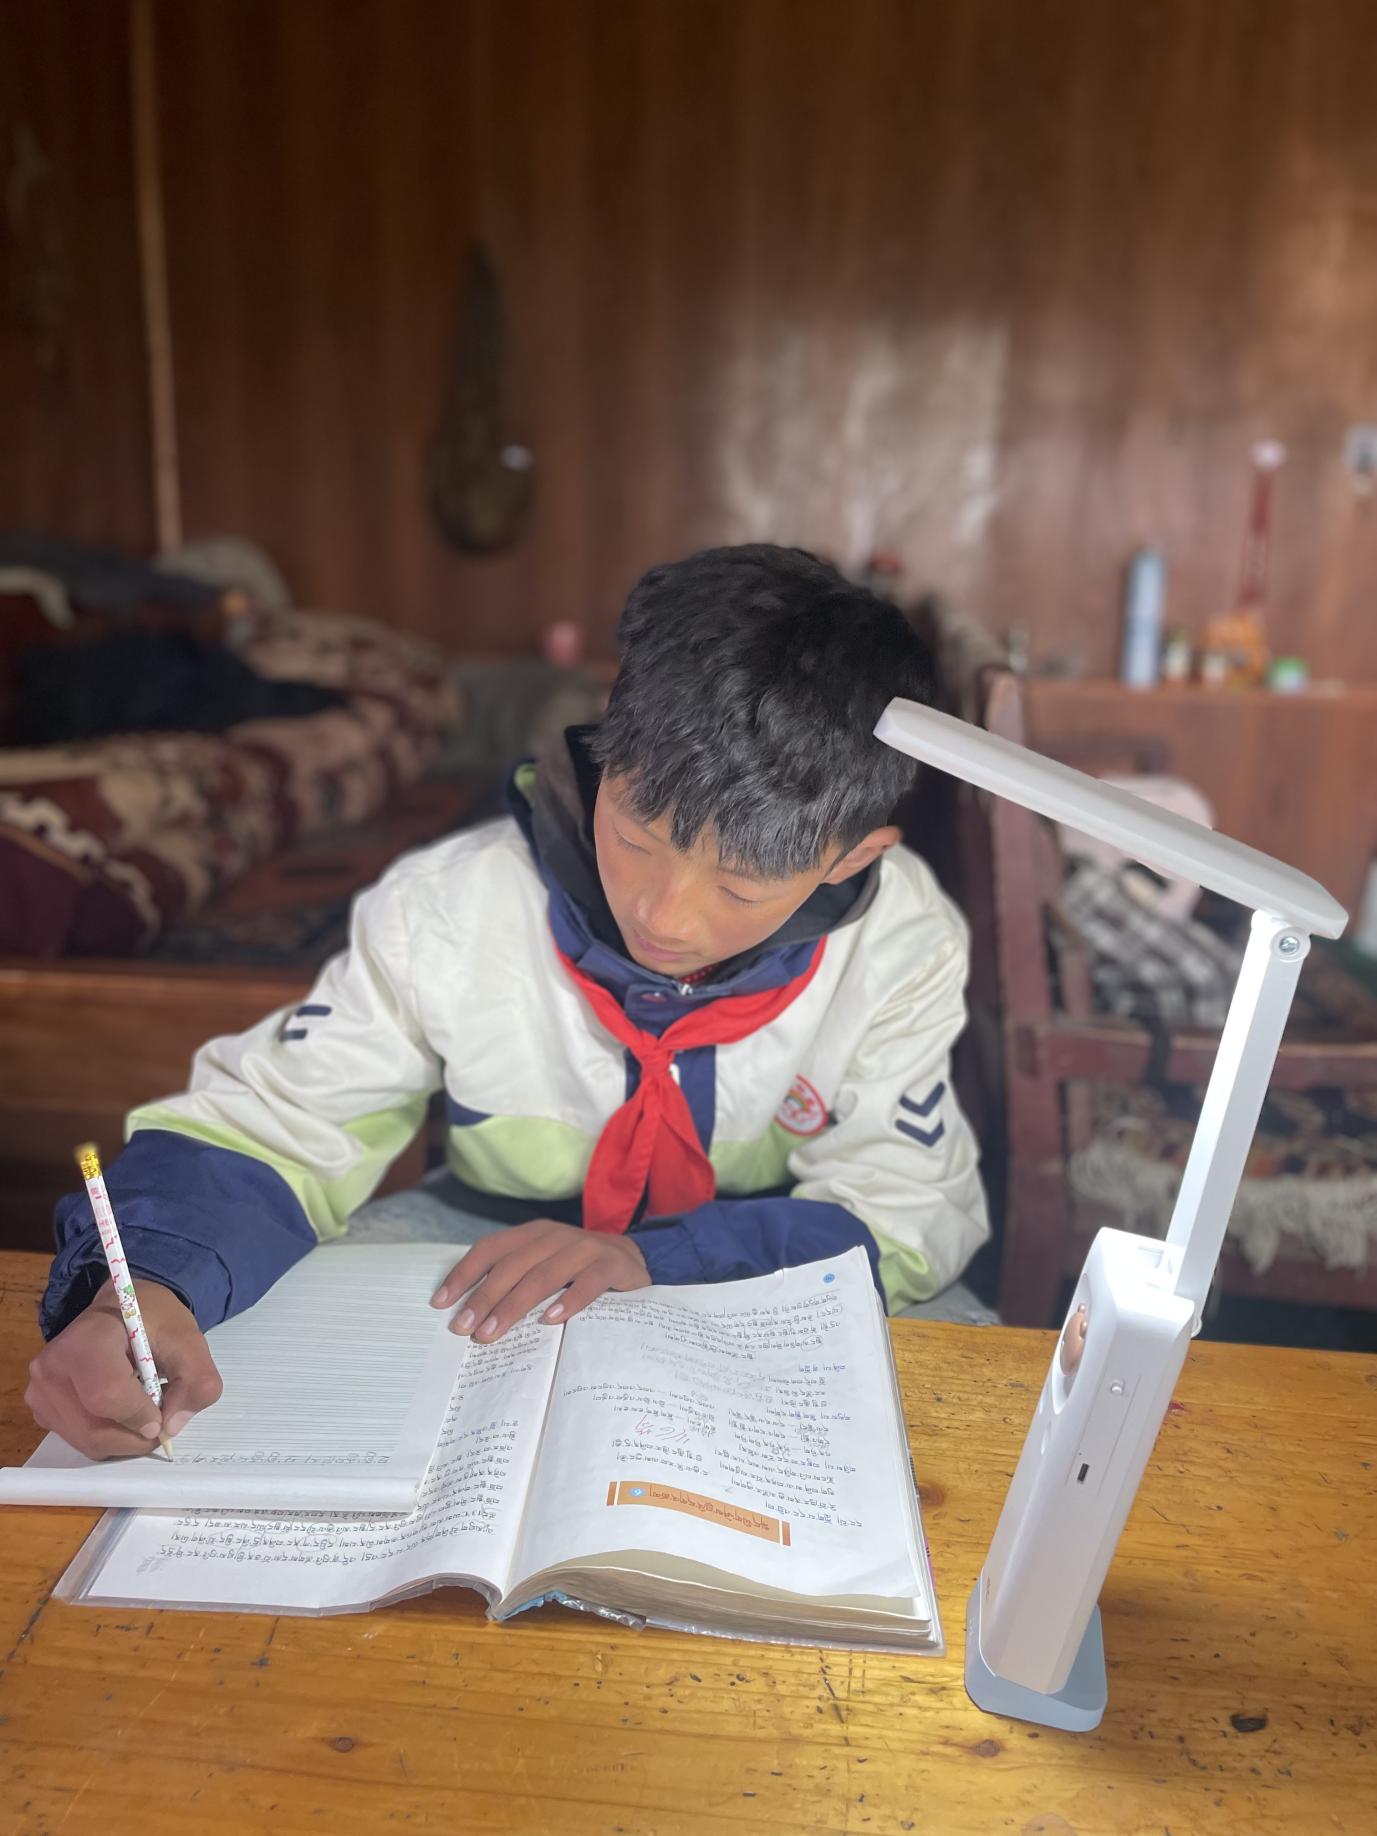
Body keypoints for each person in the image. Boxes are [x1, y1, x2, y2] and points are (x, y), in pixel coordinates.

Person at [25, 544, 990, 1460]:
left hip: (760, 1250)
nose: (665, 917)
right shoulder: (453, 905)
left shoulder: (897, 940)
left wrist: (662, 1259)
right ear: (606, 753)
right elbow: (275, 1125)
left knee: (961, 1386)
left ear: (851, 857)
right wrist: (143, 1283)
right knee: (280, 1336)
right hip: (482, 1232)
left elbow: (904, 1210)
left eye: (739, 889)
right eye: (636, 836)